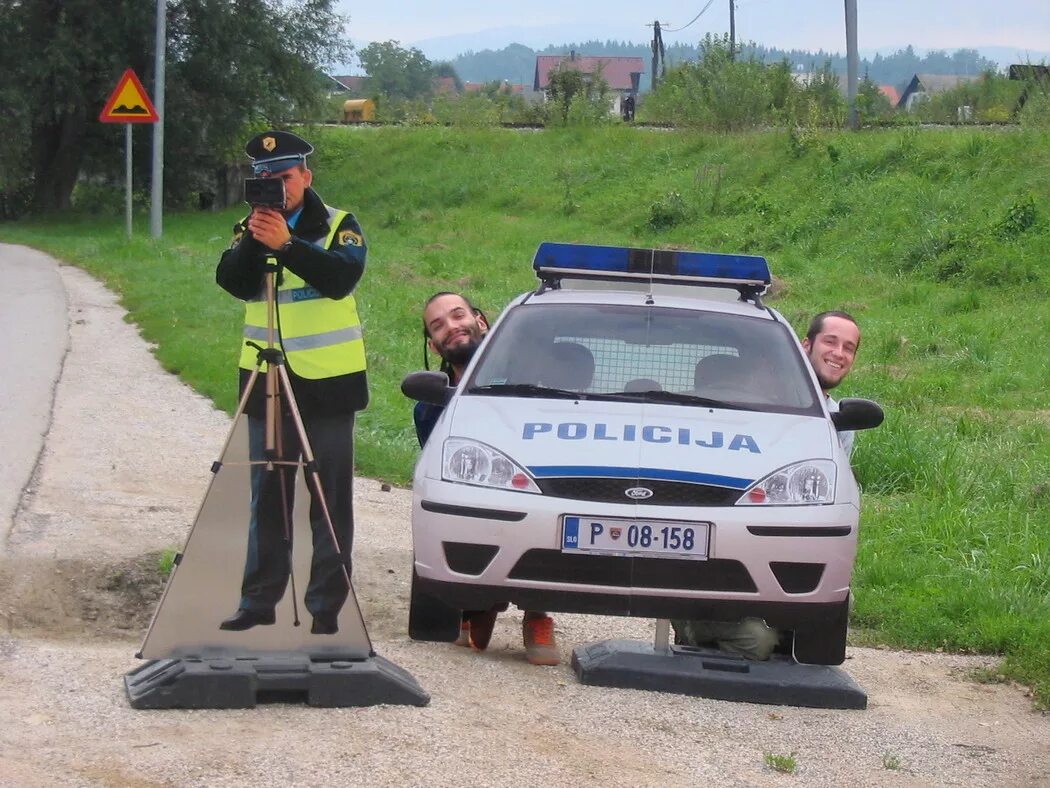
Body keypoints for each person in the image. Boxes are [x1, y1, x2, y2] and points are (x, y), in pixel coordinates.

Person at [215, 130, 368, 636]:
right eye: (266, 179)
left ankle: (326, 606)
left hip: (327, 384)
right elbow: (234, 284)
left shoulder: (340, 225)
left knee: (329, 499)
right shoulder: (250, 226)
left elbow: (340, 278)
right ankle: (258, 601)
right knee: (267, 496)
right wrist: (258, 243)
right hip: (266, 380)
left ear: (306, 176)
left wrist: (290, 245)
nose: (276, 187)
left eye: (284, 177)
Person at [672, 310, 862, 659]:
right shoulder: (764, 403)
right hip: (732, 546)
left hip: (788, 547)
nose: (839, 353)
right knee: (756, 643)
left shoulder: (838, 420)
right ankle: (691, 622)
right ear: (805, 346)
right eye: (830, 341)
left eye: (849, 348)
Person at [415, 291, 561, 666]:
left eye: (457, 315)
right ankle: (480, 604)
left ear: (480, 321)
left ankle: (537, 615)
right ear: (433, 346)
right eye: (438, 325)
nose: (451, 327)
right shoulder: (429, 406)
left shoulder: (534, 383)